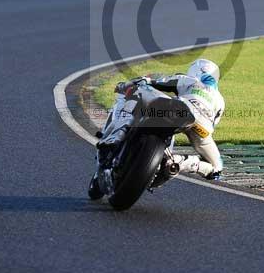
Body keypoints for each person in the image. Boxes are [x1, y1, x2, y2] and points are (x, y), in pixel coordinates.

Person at [92, 58, 225, 200]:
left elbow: (156, 82)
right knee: (216, 169)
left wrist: (132, 83)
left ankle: (114, 138)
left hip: (180, 109)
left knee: (135, 91)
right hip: (202, 128)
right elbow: (213, 123)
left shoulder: (187, 80)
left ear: (195, 71)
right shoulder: (221, 100)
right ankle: (179, 163)